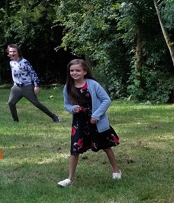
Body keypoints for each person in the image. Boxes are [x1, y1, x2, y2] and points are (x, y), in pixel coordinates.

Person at [57, 59, 121, 187]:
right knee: (75, 149)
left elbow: (106, 100)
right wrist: (72, 109)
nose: (74, 73)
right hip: (79, 123)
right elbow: (66, 104)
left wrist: (96, 115)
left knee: (105, 146)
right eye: (72, 70)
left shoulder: (93, 84)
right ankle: (70, 178)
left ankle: (116, 170)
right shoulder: (68, 87)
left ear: (85, 71)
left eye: (78, 70)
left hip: (95, 121)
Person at [6, 43, 60, 123]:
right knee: (11, 103)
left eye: (14, 51)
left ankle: (53, 116)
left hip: (27, 86)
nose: (12, 53)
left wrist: (36, 86)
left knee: (36, 103)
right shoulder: (11, 62)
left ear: (18, 52)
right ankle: (15, 120)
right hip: (16, 87)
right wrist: (14, 85)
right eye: (10, 52)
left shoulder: (24, 62)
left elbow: (33, 73)